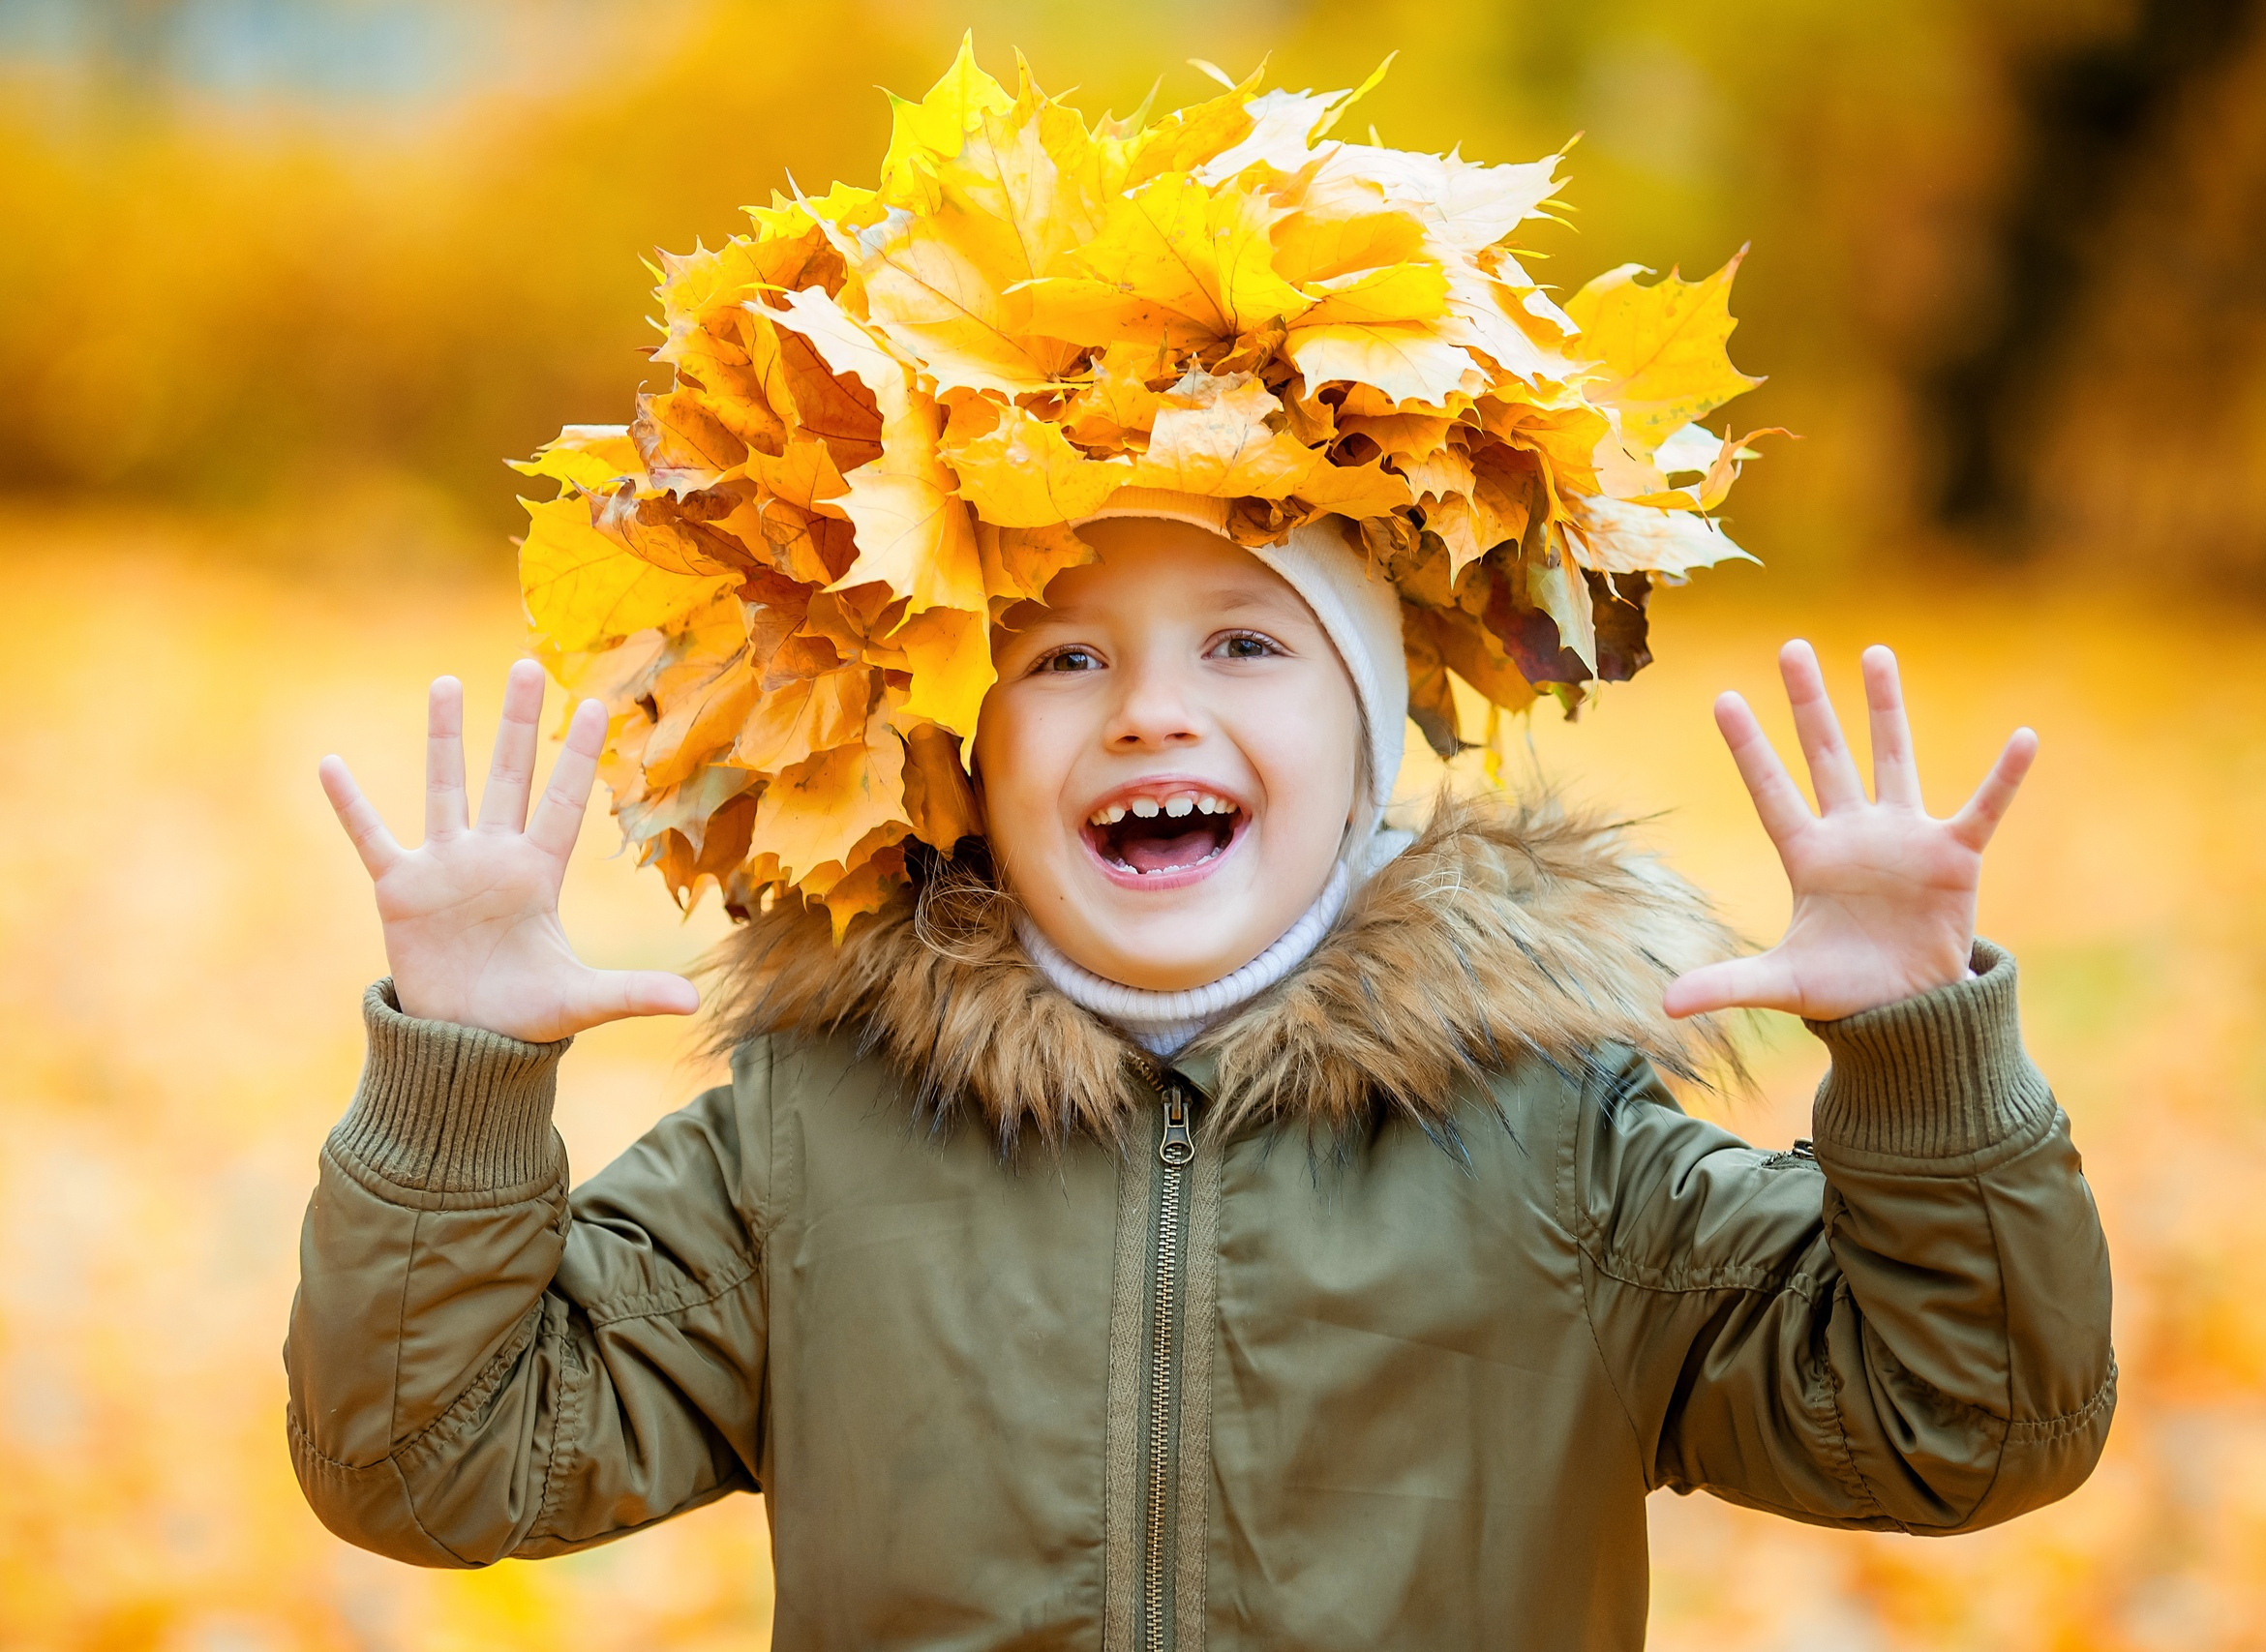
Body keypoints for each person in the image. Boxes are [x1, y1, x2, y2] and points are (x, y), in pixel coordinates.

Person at [286, 48, 2113, 1652]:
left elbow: (1972, 1426)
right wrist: (460, 1086)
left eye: (1245, 644)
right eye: (1063, 657)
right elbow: (432, 1466)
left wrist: (1920, 1063)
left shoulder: (1564, 1146)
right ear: (968, 755)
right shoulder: (810, 1145)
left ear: (1371, 738)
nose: (1150, 713)